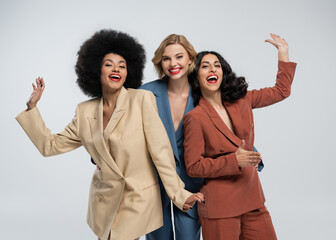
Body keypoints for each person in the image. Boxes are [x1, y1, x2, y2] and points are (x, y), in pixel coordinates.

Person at [16, 29, 203, 240]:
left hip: (137, 199)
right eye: (108, 64)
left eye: (122, 65)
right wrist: (32, 108)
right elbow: (49, 146)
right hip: (105, 203)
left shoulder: (141, 100)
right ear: (96, 70)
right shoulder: (84, 111)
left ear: (128, 72)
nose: (116, 69)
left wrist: (179, 194)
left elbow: (161, 152)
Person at [183, 34, 297, 240]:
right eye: (205, 66)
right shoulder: (195, 117)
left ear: (223, 72)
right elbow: (193, 166)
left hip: (253, 200)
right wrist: (233, 161)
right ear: (196, 76)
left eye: (216, 65)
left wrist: (283, 53)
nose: (212, 70)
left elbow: (281, 91)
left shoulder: (243, 99)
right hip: (220, 207)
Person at [140, 34, 203, 240]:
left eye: (179, 57)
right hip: (154, 184)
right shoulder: (145, 93)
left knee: (188, 237)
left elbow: (224, 124)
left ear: (190, 60)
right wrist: (99, 159)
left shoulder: (203, 94)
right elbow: (122, 129)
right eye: (166, 59)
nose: (173, 63)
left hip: (190, 184)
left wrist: (249, 152)